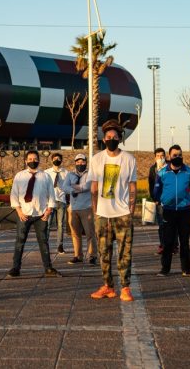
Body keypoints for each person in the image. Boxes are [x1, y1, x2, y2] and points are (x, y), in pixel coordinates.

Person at [87, 119, 138, 302]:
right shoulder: (97, 159)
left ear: (120, 138)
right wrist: (96, 212)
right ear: (103, 138)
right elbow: (93, 188)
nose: (111, 139)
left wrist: (131, 211)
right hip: (102, 214)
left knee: (125, 252)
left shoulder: (129, 159)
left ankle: (125, 287)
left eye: (115, 136)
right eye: (108, 136)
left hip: (122, 213)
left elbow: (133, 187)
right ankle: (108, 286)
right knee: (103, 252)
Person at [8, 150, 61, 278]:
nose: (33, 161)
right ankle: (15, 268)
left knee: (43, 241)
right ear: (26, 161)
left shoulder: (45, 176)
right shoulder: (19, 176)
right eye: (30, 159)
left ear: (39, 160)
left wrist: (48, 211)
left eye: (35, 159)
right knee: (20, 241)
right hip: (24, 214)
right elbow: (14, 195)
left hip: (41, 215)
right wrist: (19, 211)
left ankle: (48, 268)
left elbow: (51, 195)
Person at [153, 145, 190, 277]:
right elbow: (156, 191)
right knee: (168, 241)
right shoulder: (162, 173)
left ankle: (186, 269)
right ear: (169, 156)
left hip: (184, 211)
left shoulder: (189, 172)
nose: (177, 157)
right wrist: (161, 200)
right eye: (174, 155)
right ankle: (165, 269)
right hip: (168, 210)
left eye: (180, 155)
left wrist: (189, 199)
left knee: (184, 241)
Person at [62, 153, 97, 266]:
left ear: (86, 163)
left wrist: (73, 187)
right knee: (75, 233)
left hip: (86, 208)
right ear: (75, 163)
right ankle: (78, 255)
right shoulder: (70, 174)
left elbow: (87, 187)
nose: (80, 164)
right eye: (78, 162)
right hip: (73, 208)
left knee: (90, 233)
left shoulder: (90, 174)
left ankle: (92, 256)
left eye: (82, 162)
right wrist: (74, 189)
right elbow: (64, 187)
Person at [148, 147, 175, 256]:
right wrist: (154, 199)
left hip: (170, 201)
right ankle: (163, 245)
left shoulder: (170, 167)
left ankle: (173, 246)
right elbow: (151, 185)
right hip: (159, 201)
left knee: (172, 224)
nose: (160, 158)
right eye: (158, 156)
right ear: (155, 158)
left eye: (162, 156)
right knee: (161, 225)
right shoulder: (153, 169)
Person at [44, 153, 69, 254]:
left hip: (61, 200)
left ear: (61, 160)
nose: (57, 160)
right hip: (50, 201)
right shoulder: (46, 172)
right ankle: (45, 245)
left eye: (59, 158)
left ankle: (60, 246)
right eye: (55, 158)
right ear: (52, 160)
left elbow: (68, 186)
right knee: (48, 224)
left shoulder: (66, 172)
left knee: (60, 225)